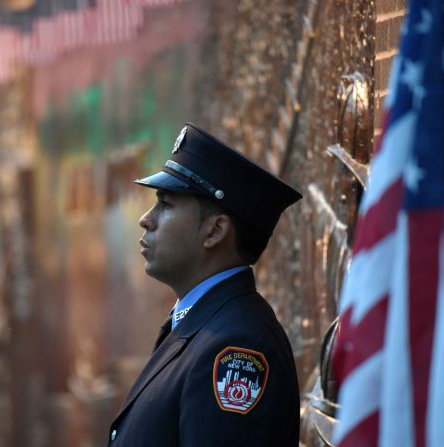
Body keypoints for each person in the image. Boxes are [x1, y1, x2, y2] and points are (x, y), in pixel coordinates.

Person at [108, 123, 302, 446]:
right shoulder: (204, 324)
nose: (147, 218)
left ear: (214, 231)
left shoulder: (236, 348)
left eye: (166, 204)